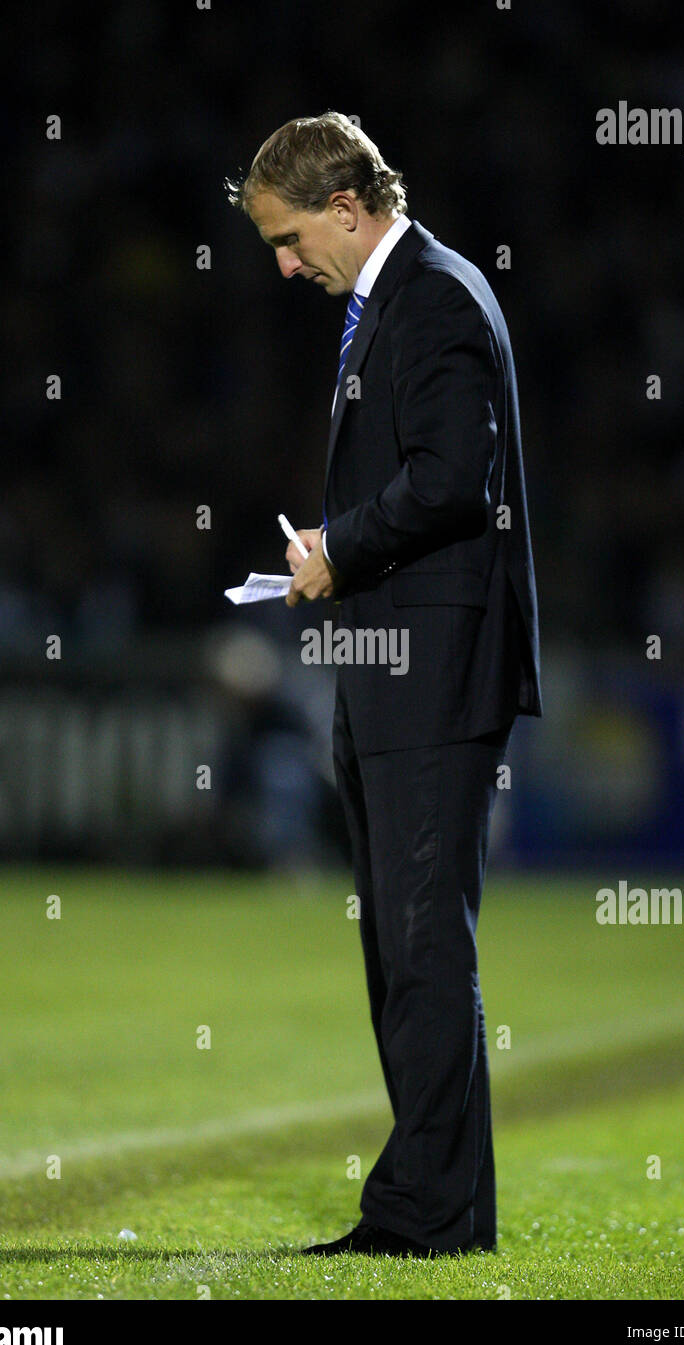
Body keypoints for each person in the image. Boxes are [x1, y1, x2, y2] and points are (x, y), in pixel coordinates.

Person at [225, 111, 541, 1257]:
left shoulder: (437, 298)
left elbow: (458, 478)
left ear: (347, 209)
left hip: (433, 672)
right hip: (398, 666)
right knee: (410, 947)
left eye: (291, 235)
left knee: (420, 946)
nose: (283, 261)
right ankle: (444, 1208)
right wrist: (340, 554)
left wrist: (338, 549)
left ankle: (423, 1215)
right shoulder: (402, 298)